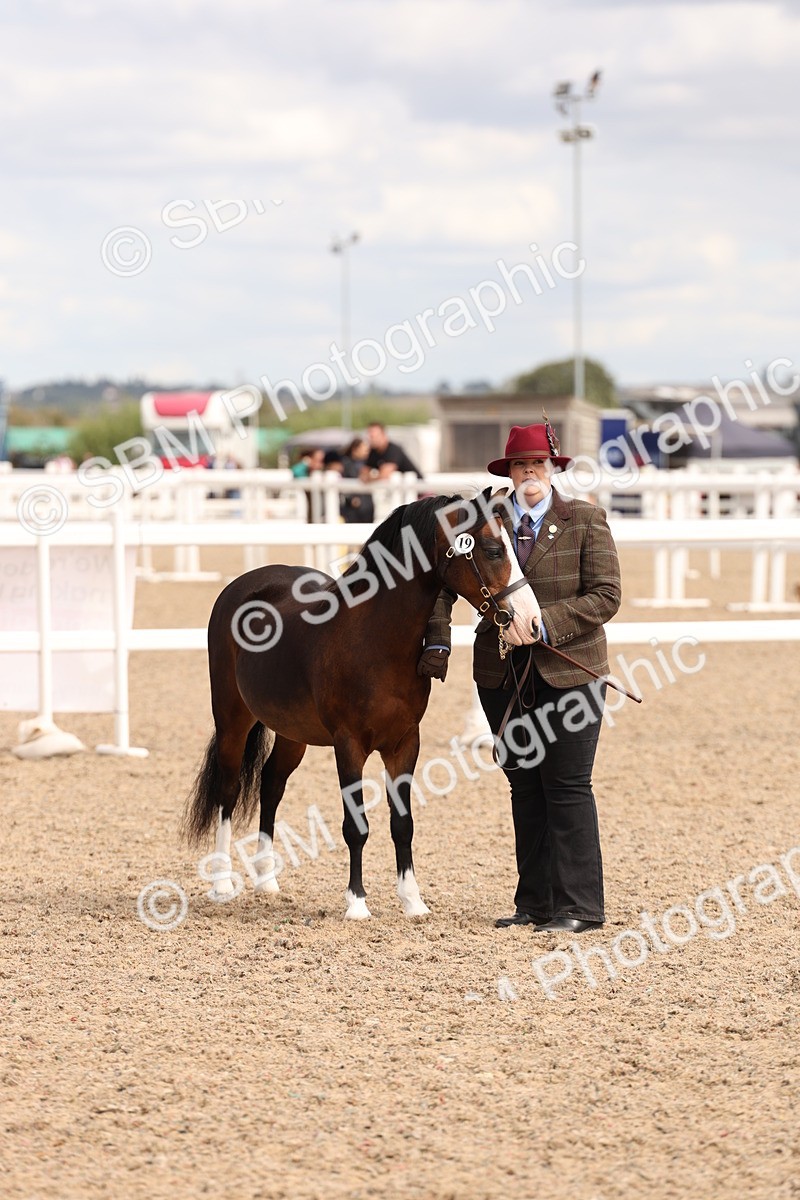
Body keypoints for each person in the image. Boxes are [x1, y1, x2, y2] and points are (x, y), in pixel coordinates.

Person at [419, 421, 621, 934]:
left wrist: (548, 624)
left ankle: (580, 907)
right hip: (501, 674)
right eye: (520, 465)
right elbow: (445, 583)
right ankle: (534, 903)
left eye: (538, 464)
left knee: (568, 785)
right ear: (507, 471)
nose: (530, 472)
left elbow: (606, 595)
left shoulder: (585, 520)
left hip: (571, 673)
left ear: (553, 469)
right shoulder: (483, 523)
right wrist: (438, 638)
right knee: (525, 787)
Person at [340, 436, 374, 523]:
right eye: (364, 449)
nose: (367, 452)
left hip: (367, 505)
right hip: (353, 506)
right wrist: (351, 499)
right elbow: (343, 484)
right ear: (355, 449)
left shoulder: (368, 464)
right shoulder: (346, 464)